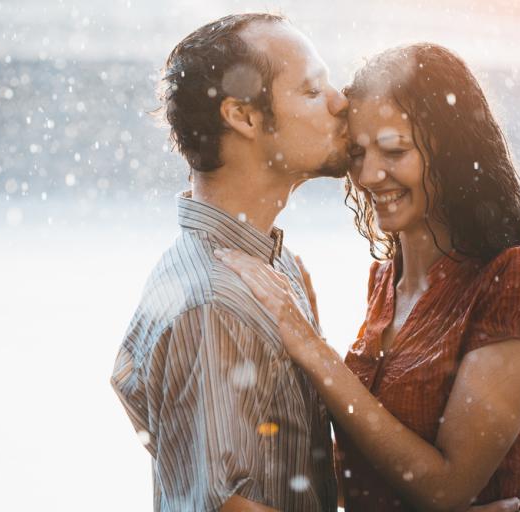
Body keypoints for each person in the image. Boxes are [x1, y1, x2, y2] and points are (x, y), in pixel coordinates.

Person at [215, 43, 520, 511]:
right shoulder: (384, 281)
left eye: (395, 150)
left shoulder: (514, 277)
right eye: (357, 152)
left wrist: (311, 347)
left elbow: (447, 489)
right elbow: (365, 472)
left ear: (451, 152)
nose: (370, 174)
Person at [110, 12, 349, 512]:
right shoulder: (214, 301)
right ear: (243, 117)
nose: (340, 102)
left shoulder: (260, 267)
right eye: (311, 91)